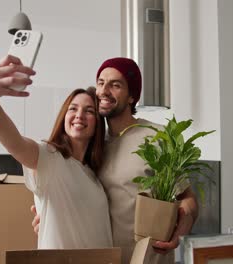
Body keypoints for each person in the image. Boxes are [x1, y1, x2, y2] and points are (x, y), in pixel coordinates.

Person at [32, 57, 199, 263]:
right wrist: (51, 216)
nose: (103, 91)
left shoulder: (158, 138)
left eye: (115, 85)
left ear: (131, 97)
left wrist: (181, 227)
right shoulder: (94, 146)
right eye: (101, 83)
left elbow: (188, 198)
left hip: (150, 259)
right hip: (106, 259)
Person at [0, 54, 112, 249]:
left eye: (89, 111)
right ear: (64, 116)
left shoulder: (93, 175)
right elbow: (15, 143)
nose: (79, 115)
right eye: (73, 108)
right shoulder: (50, 158)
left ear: (98, 123)